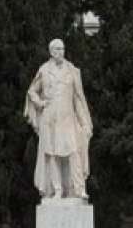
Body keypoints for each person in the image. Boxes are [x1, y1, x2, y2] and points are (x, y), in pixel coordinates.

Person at [24, 39, 92, 199]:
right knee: (52, 154)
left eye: (62, 49)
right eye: (57, 49)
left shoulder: (72, 71)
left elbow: (78, 99)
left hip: (68, 118)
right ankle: (57, 189)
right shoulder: (44, 70)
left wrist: (85, 122)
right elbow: (32, 91)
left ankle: (78, 188)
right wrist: (40, 103)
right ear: (51, 52)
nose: (61, 52)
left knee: (73, 152)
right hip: (50, 118)